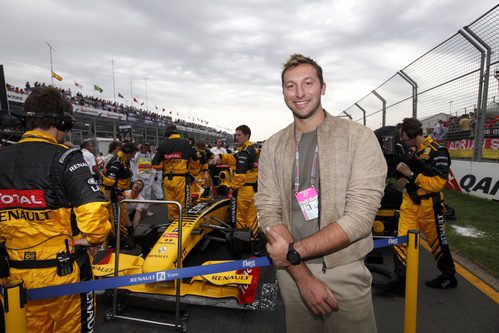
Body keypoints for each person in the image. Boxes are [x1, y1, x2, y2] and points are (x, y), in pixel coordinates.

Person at [254, 54, 386, 332]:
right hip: (291, 274)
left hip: (343, 267)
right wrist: (301, 275)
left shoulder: (358, 137)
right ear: (283, 92)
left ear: (323, 87)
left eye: (308, 83)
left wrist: (291, 253)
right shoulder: (273, 145)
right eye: (290, 86)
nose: (299, 93)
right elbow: (267, 206)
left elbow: (359, 219)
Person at [0, 86, 111, 332]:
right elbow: (95, 215)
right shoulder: (66, 157)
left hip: (13, 278)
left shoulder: (2, 157)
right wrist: (88, 239)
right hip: (63, 275)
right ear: (62, 121)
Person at [392, 117, 457, 290]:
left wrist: (411, 175)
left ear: (413, 134)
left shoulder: (438, 151)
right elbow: (415, 177)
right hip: (410, 204)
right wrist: (406, 180)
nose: (402, 141)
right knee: (401, 241)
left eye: (404, 138)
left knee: (437, 244)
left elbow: (437, 183)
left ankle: (449, 277)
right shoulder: (414, 151)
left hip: (430, 207)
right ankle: (401, 281)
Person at [213, 125, 259, 238]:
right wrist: (220, 156)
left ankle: (241, 241)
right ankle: (254, 240)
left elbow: (240, 177)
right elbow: (233, 158)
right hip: (252, 189)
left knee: (240, 217)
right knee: (251, 217)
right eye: (236, 135)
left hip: (243, 190)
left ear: (247, 136)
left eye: (239, 135)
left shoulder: (245, 152)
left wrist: (231, 188)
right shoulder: (249, 149)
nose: (236, 137)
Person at [152, 125, 198, 221]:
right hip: (181, 180)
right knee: (184, 207)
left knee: (172, 206)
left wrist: (167, 164)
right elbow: (195, 161)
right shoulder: (187, 143)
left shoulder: (162, 145)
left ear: (167, 134)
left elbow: (155, 164)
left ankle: (172, 226)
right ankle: (183, 228)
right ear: (177, 132)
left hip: (167, 180)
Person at [101, 141, 137, 246]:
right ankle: (115, 241)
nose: (133, 157)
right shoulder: (116, 161)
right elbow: (108, 183)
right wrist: (106, 202)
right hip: (112, 195)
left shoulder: (124, 160)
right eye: (133, 154)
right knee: (115, 219)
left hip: (120, 193)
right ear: (127, 152)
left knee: (122, 217)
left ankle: (124, 236)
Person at [130, 142, 155, 217]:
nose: (145, 149)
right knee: (140, 195)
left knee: (148, 195)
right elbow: (132, 159)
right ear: (141, 147)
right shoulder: (137, 154)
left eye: (146, 147)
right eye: (143, 147)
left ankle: (146, 210)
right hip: (140, 178)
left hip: (148, 178)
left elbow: (151, 163)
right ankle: (138, 211)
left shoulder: (149, 154)